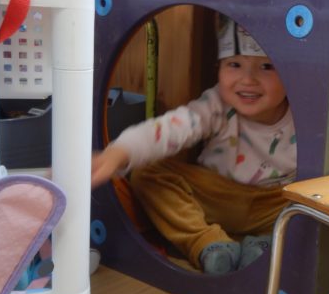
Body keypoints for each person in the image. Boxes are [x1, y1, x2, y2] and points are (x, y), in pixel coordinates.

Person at [91, 15, 296, 276]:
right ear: (219, 67)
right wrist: (120, 152)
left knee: (309, 206)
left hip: (274, 204)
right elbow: (171, 127)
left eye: (267, 66)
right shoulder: (218, 103)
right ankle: (209, 244)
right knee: (147, 173)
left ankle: (266, 245)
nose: (248, 80)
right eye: (234, 64)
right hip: (215, 196)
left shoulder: (300, 112)